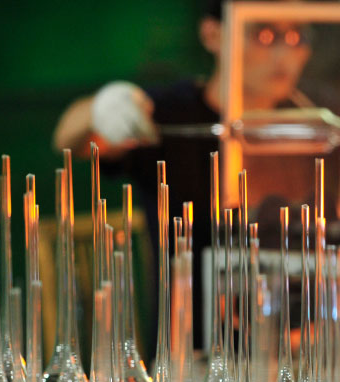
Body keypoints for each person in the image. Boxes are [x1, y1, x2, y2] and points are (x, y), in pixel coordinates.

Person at [52, 0, 314, 349]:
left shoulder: (315, 128)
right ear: (213, 34)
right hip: (189, 358)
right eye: (264, 35)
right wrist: (100, 110)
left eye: (296, 37)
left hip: (299, 358)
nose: (283, 54)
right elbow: (71, 138)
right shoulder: (172, 115)